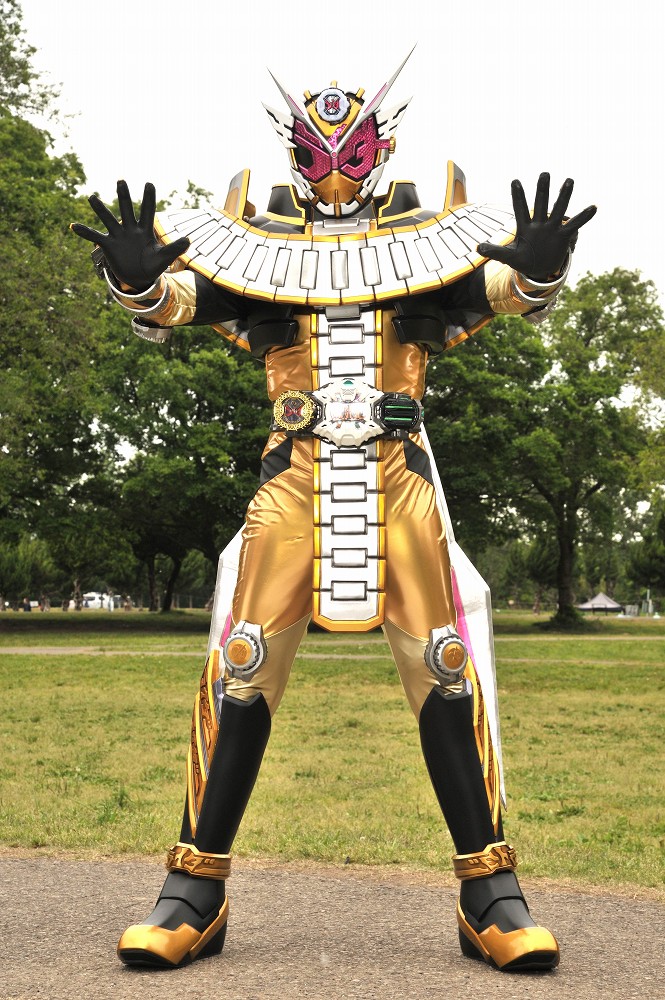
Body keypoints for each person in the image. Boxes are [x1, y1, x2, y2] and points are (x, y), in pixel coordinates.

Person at [72, 57, 595, 972]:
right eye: (316, 152)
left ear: (378, 147)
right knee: (242, 664)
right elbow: (181, 301)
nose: (333, 169)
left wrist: (541, 272)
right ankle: (194, 889)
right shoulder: (257, 243)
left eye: (348, 150)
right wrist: (136, 284)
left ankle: (489, 890)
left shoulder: (423, 242)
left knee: (445, 665)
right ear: (293, 153)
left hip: (398, 473)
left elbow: (498, 290)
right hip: (294, 473)